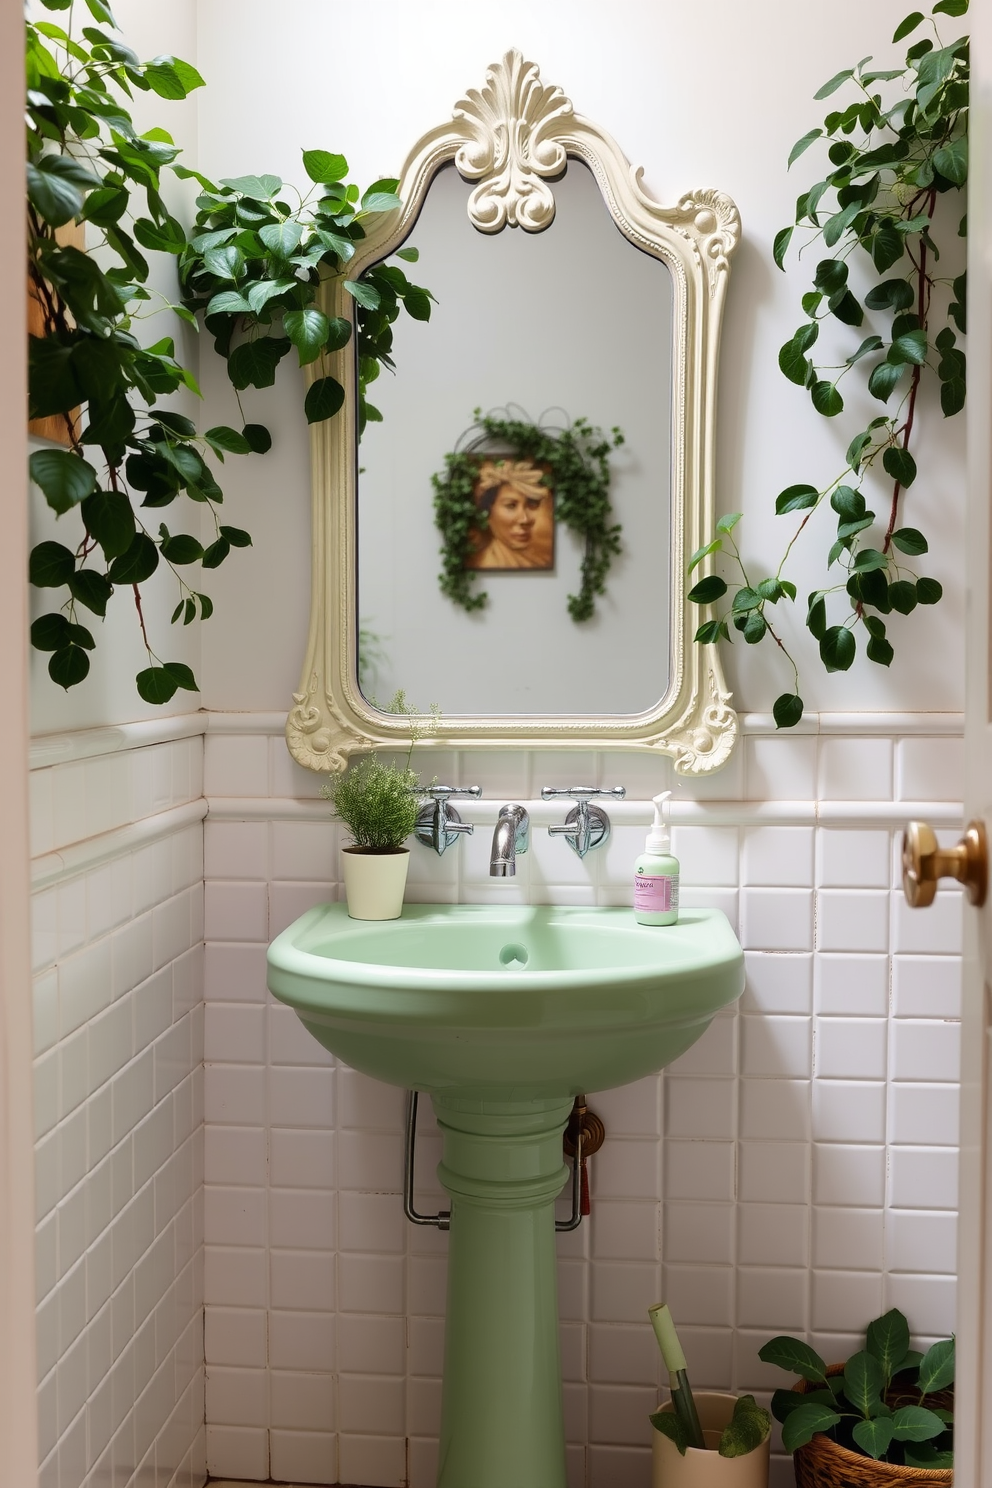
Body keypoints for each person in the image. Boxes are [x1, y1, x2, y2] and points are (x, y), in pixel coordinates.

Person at [465, 458, 554, 570]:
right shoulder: (486, 563)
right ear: (487, 511)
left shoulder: (541, 560)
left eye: (531, 504)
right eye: (511, 505)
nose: (525, 519)